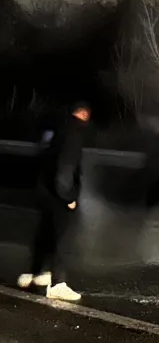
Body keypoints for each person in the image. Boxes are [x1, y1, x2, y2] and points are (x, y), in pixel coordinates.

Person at [17, 102, 91, 301]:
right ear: (83, 114)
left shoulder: (56, 128)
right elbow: (66, 168)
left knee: (45, 233)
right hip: (58, 194)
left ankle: (35, 274)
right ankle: (58, 284)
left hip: (43, 191)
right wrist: (69, 197)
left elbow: (45, 158)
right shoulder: (74, 133)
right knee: (62, 238)